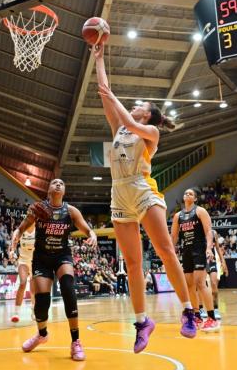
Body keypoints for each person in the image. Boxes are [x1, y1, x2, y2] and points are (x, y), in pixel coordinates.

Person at [93, 43, 197, 353]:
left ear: (149, 115)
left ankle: (188, 311)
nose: (137, 105)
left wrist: (114, 99)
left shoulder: (149, 132)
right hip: (118, 191)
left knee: (166, 250)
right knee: (132, 263)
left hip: (142, 188)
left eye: (142, 105)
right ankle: (142, 322)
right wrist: (99, 58)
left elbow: (130, 120)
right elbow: (103, 90)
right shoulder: (118, 130)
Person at [13, 179, 97, 361]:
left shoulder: (71, 211)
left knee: (68, 287)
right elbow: (21, 228)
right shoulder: (38, 209)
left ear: (64, 191)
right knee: (42, 303)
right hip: (41, 258)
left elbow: (87, 229)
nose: (58, 184)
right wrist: (16, 235)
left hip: (62, 256)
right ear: (49, 190)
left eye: (62, 183)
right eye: (54, 183)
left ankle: (76, 342)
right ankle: (42, 334)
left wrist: (92, 235)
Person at [171, 189, 220, 332]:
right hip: (186, 251)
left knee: (200, 283)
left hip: (199, 250)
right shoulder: (177, 216)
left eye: (191, 194)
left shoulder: (200, 211)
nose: (187, 195)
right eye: (185, 193)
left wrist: (209, 248)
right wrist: (170, 252)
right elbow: (174, 236)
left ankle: (212, 318)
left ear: (195, 199)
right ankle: (196, 316)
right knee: (189, 285)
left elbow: (208, 231)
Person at [9, 224, 36, 323]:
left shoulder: (39, 229)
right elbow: (13, 243)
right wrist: (12, 251)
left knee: (34, 289)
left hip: (35, 261)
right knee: (23, 283)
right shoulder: (19, 230)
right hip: (23, 260)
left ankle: (33, 311)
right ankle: (16, 313)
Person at [207, 229, 228, 319]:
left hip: (212, 261)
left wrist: (223, 262)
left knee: (214, 287)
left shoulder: (213, 233)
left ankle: (215, 309)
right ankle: (201, 309)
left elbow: (218, 249)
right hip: (200, 261)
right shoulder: (197, 231)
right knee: (201, 288)